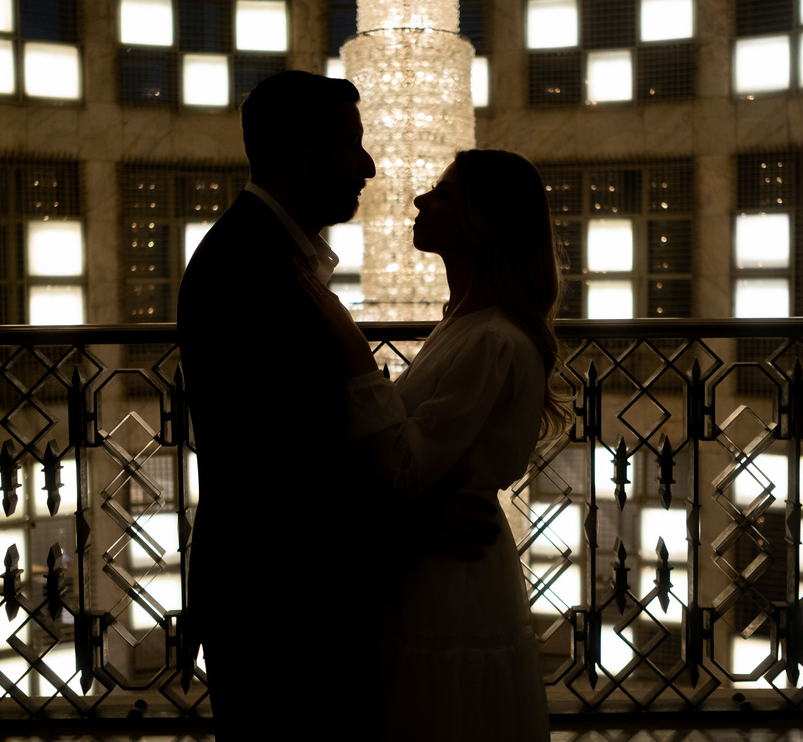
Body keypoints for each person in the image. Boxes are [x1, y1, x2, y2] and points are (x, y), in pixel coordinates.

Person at [177, 72, 499, 740]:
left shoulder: (264, 256)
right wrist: (418, 523)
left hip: (283, 595)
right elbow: (279, 471)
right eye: (351, 144)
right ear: (299, 152)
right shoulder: (252, 272)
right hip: (282, 607)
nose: (369, 165)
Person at [305, 149, 569, 742]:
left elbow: (403, 466)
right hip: (433, 555)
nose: (421, 200)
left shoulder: (492, 339)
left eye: (444, 193)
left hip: (451, 569)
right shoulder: (465, 325)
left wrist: (354, 358)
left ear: (485, 221)